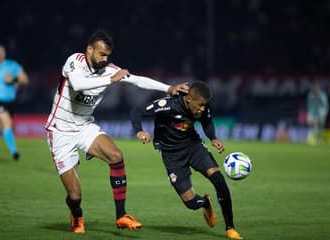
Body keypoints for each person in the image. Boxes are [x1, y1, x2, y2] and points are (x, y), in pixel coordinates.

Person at [44, 30, 189, 234]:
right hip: (60, 131)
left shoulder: (109, 69)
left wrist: (169, 89)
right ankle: (76, 214)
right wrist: (111, 80)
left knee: (116, 156)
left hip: (85, 126)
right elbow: (78, 84)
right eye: (102, 54)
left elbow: (138, 80)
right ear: (89, 50)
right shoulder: (74, 62)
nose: (105, 59)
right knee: (75, 196)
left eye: (108, 56)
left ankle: (121, 216)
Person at [130, 81, 243, 239]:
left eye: (205, 105)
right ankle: (204, 203)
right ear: (189, 99)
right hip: (171, 155)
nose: (202, 109)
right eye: (200, 105)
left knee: (218, 179)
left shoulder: (201, 107)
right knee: (191, 203)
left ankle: (230, 228)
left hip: (193, 147)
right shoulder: (168, 105)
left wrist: (213, 138)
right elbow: (137, 111)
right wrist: (139, 130)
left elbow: (207, 121)